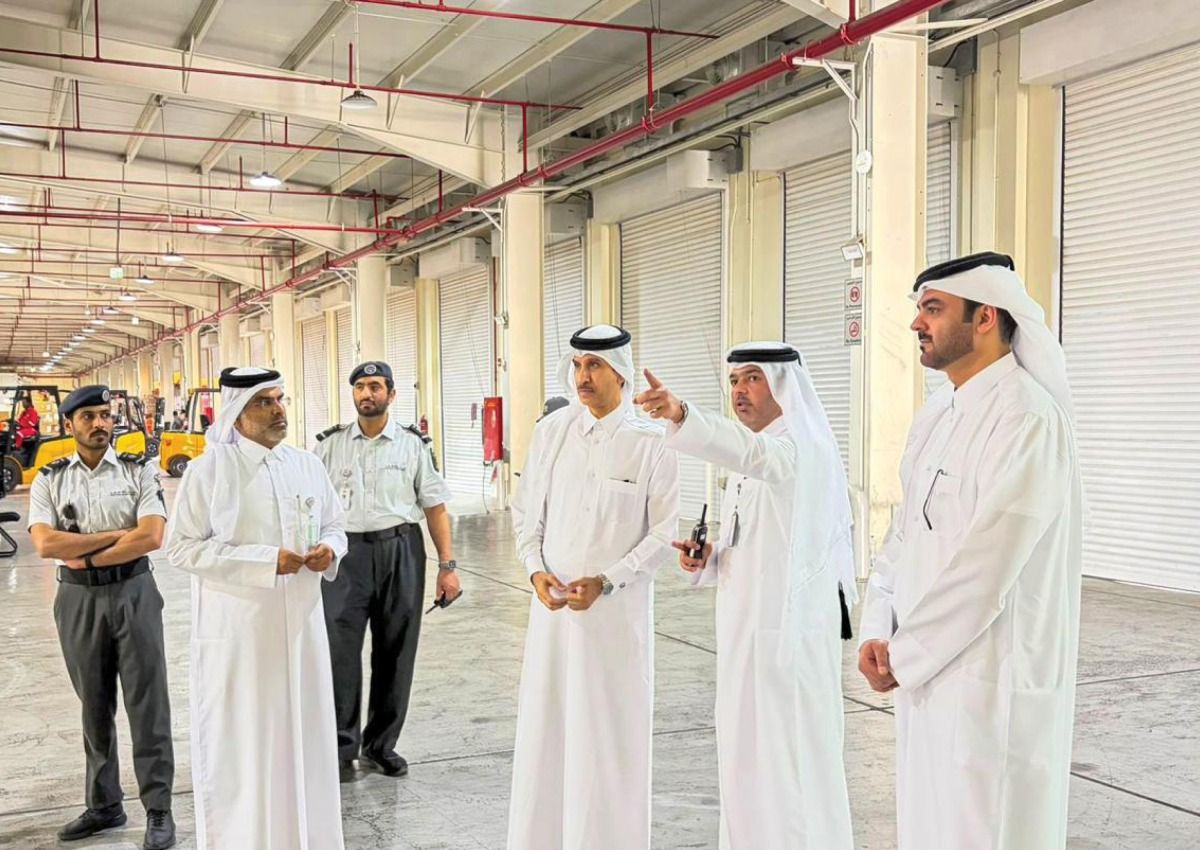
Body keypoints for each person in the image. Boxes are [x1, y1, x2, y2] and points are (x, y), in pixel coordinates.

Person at [857, 252, 1083, 850]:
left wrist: (905, 654)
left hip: (990, 681)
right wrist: (878, 628)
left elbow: (987, 567)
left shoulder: (1027, 418)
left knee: (986, 830)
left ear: (985, 317)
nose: (917, 324)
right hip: (922, 671)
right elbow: (904, 533)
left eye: (933, 309)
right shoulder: (938, 414)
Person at [635, 343, 855, 850]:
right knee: (744, 766)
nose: (739, 390)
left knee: (790, 771)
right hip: (744, 642)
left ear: (782, 384)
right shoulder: (751, 457)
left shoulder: (799, 448)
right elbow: (754, 543)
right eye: (734, 380)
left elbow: (755, 455)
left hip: (787, 649)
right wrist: (709, 558)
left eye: (752, 378)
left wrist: (683, 414)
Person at [507, 325, 679, 850]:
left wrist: (608, 581)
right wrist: (535, 570)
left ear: (620, 373)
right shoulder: (553, 432)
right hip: (553, 618)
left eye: (595, 366)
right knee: (549, 732)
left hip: (616, 621)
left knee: (610, 737)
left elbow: (664, 533)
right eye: (578, 365)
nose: (583, 376)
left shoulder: (653, 441)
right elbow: (526, 514)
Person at [165, 367, 347, 850]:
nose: (278, 410)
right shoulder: (209, 472)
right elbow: (180, 548)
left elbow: (335, 523)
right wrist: (267, 562)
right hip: (241, 637)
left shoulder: (306, 464)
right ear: (236, 414)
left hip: (302, 631)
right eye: (264, 402)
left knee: (305, 737)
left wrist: (330, 549)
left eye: (280, 399)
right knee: (248, 744)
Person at [27, 384, 175, 849]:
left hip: (135, 592)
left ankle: (159, 808)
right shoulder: (49, 478)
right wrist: (117, 535)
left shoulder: (138, 469)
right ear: (69, 424)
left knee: (148, 704)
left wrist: (87, 555)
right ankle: (104, 804)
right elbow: (46, 544)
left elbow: (151, 536)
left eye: (105, 415)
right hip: (77, 601)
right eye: (88, 416)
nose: (100, 424)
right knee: (93, 705)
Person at [314, 360, 458, 782]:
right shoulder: (330, 446)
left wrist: (447, 566)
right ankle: (342, 749)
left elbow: (435, 507)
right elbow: (310, 505)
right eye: (360, 387)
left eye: (376, 386)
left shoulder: (412, 445)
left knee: (396, 650)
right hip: (346, 556)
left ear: (391, 395)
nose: (367, 394)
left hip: (401, 551)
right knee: (340, 653)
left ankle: (381, 746)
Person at [15, 395, 39, 465]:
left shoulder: (33, 412)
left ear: (29, 403)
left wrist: (23, 423)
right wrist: (17, 423)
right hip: (23, 428)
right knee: (11, 433)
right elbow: (19, 420)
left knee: (19, 433)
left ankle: (17, 448)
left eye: (24, 402)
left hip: (31, 429)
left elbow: (33, 423)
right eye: (22, 402)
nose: (23, 404)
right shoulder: (23, 412)